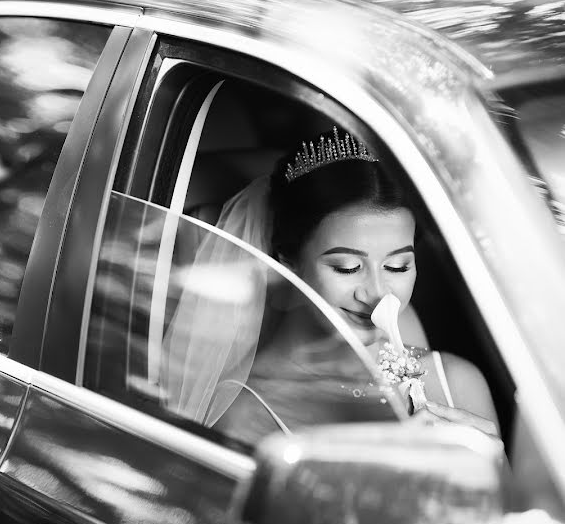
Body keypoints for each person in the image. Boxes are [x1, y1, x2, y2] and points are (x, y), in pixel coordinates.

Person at [164, 127, 498, 443]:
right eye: (347, 267)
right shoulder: (247, 418)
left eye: (398, 266)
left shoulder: (457, 382)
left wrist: (490, 464)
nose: (378, 293)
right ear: (288, 265)